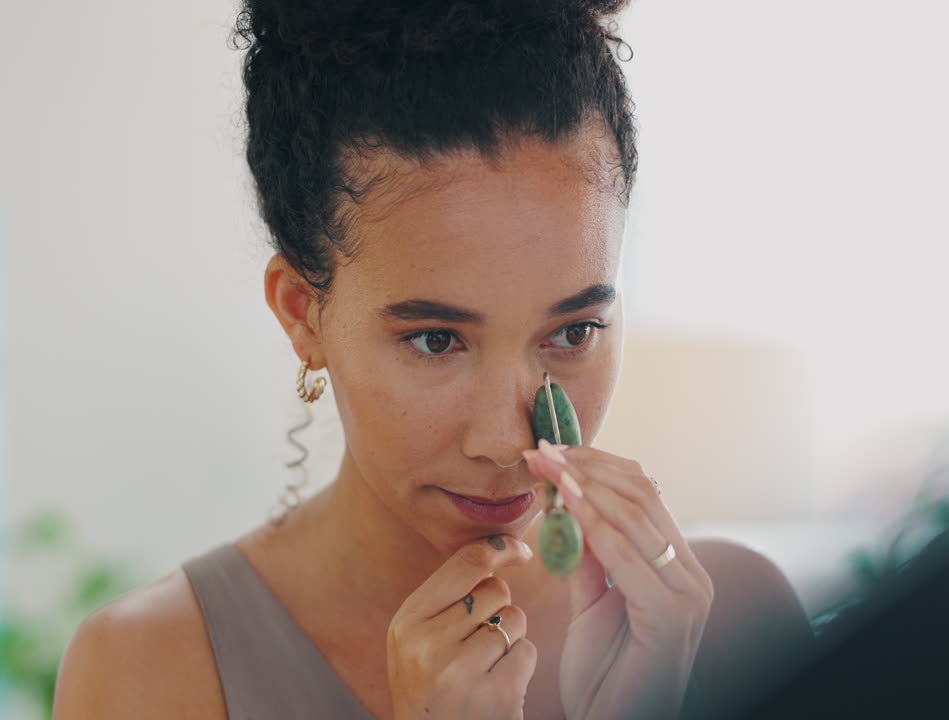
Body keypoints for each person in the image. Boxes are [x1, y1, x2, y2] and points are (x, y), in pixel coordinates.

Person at [51, 1, 815, 718]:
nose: (512, 441)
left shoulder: (737, 622)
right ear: (301, 312)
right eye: (436, 340)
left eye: (574, 330)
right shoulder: (149, 671)